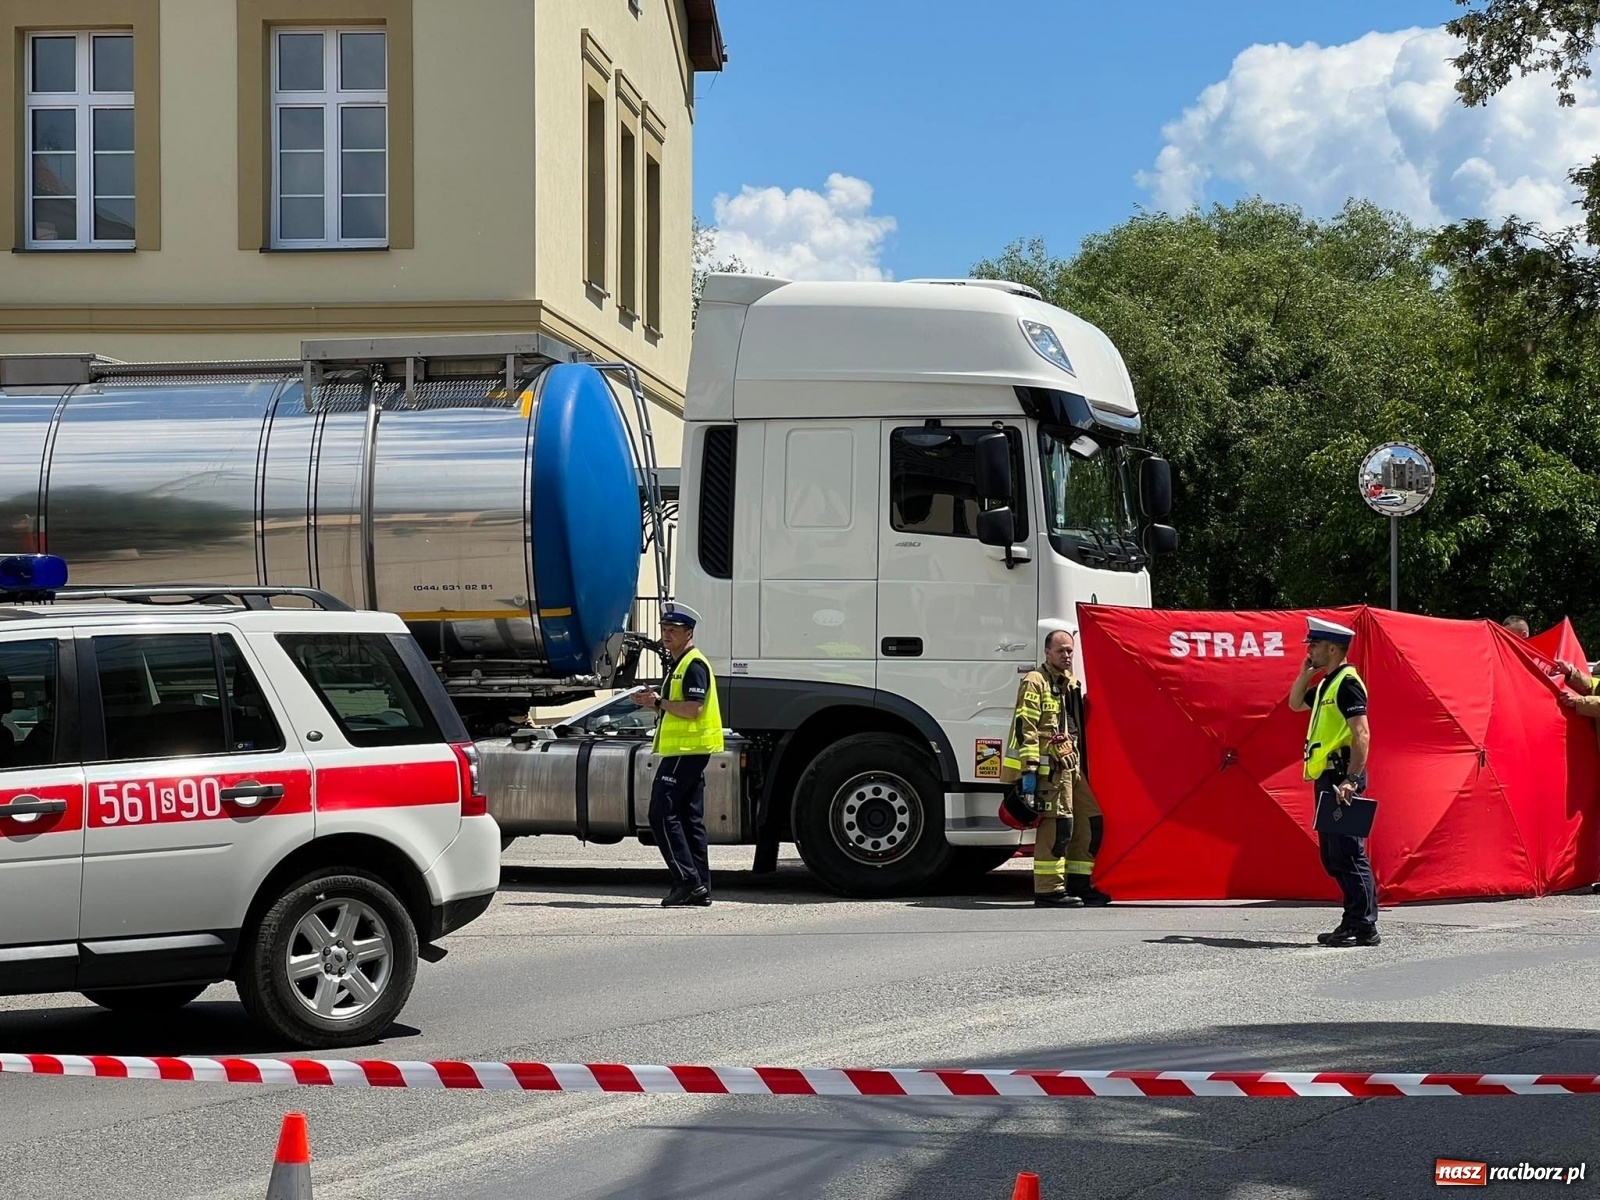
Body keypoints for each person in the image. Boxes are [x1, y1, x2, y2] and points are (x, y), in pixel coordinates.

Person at [1288, 616, 1378, 947]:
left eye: (1313, 646)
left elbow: (1361, 733)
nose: (1309, 650)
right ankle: (1353, 919)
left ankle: (1364, 924)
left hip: (1343, 777)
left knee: (1349, 852)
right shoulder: (1327, 683)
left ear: (1332, 648)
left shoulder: (1348, 683)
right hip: (1328, 776)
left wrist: (1353, 779)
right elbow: (1295, 703)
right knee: (1333, 855)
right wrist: (1306, 672)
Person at [630, 602, 724, 907]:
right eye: (664, 629)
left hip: (687, 750)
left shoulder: (693, 665)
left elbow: (693, 709)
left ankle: (687, 881)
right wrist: (655, 700)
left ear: (689, 633)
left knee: (661, 812)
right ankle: (701, 887)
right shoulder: (681, 663)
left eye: (673, 630)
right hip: (687, 750)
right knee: (688, 818)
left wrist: (658, 703)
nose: (666, 635)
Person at [1002, 628, 1082, 907]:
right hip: (1048, 770)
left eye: (1070, 650)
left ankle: (1081, 882)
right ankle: (1048, 890)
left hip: (1069, 766)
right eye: (1060, 650)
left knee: (1081, 820)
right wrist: (1029, 772)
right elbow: (1027, 727)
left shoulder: (1068, 682)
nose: (1067, 655)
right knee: (1057, 826)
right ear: (1047, 652)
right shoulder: (1036, 681)